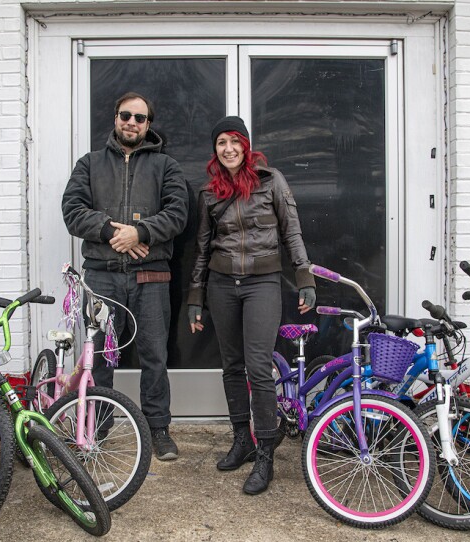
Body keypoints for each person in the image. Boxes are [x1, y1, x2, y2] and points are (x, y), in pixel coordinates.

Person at [187, 116, 315, 494]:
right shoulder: (209, 192)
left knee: (259, 366)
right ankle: (242, 439)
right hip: (222, 285)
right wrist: (195, 297)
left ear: (245, 145)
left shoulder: (270, 180)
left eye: (234, 142)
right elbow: (202, 248)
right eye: (221, 143)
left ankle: (266, 453)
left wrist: (304, 276)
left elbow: (291, 229)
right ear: (215, 150)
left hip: (262, 282)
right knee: (231, 365)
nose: (228, 149)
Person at [62, 92, 188, 461]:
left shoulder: (166, 166)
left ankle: (158, 429)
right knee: (98, 356)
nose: (132, 122)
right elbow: (72, 210)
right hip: (101, 278)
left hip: (151, 277)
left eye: (140, 118)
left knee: (154, 356)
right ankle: (96, 428)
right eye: (125, 115)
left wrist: (142, 233)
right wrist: (111, 231)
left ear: (149, 125)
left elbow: (179, 212)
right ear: (115, 118)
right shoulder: (89, 164)